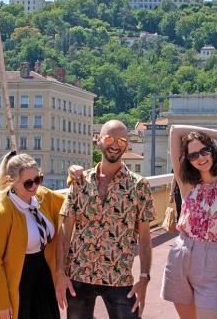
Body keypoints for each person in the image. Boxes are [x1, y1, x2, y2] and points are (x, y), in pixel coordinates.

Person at [56, 120, 155, 319]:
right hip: (79, 276)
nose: (115, 145)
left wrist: (144, 277)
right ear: (98, 140)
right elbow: (65, 233)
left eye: (122, 140)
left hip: (119, 278)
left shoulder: (139, 186)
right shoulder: (80, 182)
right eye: (110, 138)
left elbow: (144, 238)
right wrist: (60, 272)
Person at [162, 125, 217, 319]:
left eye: (204, 151)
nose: (200, 158)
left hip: (212, 260)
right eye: (193, 155)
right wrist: (215, 134)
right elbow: (175, 131)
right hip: (180, 255)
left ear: (212, 151)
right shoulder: (185, 182)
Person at [0, 151, 64, 319]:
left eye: (38, 179)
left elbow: (69, 201)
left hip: (43, 273)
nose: (35, 186)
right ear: (11, 181)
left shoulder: (43, 197)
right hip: (19, 280)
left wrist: (74, 177)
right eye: (29, 183)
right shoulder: (4, 212)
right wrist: (1, 303)